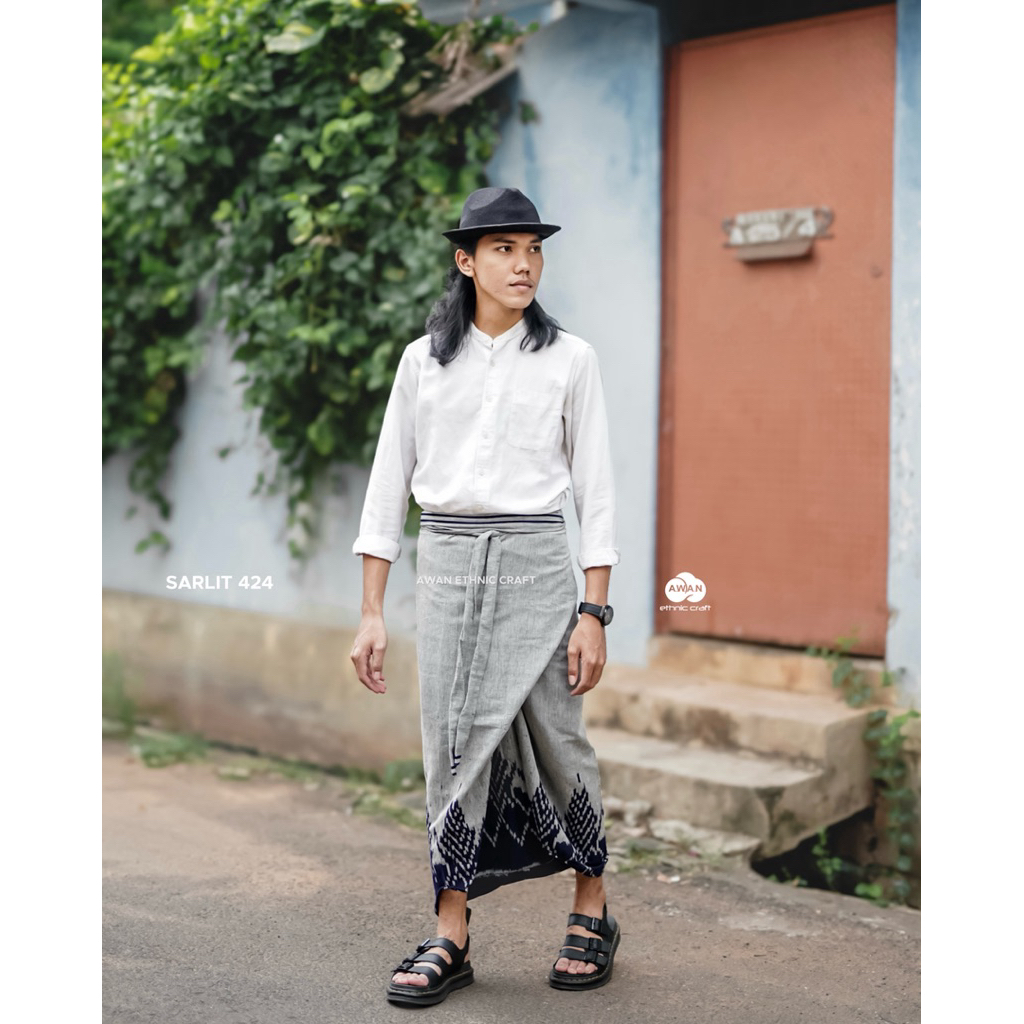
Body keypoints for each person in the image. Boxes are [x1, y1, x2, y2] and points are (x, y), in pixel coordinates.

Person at [350, 186, 622, 1007]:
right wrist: (372, 611)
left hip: (539, 566)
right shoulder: (421, 362)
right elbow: (387, 487)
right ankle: (451, 933)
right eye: (504, 249)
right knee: (452, 742)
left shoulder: (571, 359)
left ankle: (591, 905)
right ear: (466, 261)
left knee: (559, 737)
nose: (524, 263)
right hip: (450, 565)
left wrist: (594, 611)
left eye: (533, 249)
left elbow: (596, 491)